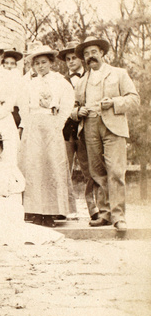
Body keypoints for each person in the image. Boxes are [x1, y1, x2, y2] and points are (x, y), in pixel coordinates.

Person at [73, 36, 140, 231]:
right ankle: (105, 214)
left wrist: (114, 103)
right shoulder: (82, 81)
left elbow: (134, 100)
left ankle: (119, 216)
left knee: (116, 171)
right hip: (90, 125)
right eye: (86, 54)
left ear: (102, 53)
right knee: (97, 172)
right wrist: (78, 112)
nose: (90, 56)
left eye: (93, 52)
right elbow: (74, 107)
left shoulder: (118, 74)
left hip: (113, 126)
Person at [0, 133, 64, 246]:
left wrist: (8, 191)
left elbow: (21, 183)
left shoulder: (8, 166)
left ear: (1, 150)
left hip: (3, 200)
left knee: (10, 210)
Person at [17, 44, 76, 227]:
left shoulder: (60, 82)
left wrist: (58, 122)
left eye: (44, 62)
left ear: (51, 63)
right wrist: (29, 123)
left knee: (52, 166)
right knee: (33, 167)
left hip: (51, 126)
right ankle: (34, 211)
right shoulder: (29, 83)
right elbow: (22, 105)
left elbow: (68, 103)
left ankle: (52, 212)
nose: (40, 66)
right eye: (37, 63)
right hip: (34, 126)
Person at [58, 40, 99, 221]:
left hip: (86, 131)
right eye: (68, 59)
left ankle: (94, 208)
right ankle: (65, 208)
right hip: (66, 132)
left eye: (74, 58)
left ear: (81, 59)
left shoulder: (91, 78)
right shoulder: (61, 81)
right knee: (63, 169)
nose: (71, 61)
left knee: (89, 170)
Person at [2, 48, 24, 129]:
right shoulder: (0, 76)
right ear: (3, 64)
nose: (9, 66)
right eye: (7, 63)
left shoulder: (18, 78)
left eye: (12, 63)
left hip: (14, 110)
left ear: (15, 65)